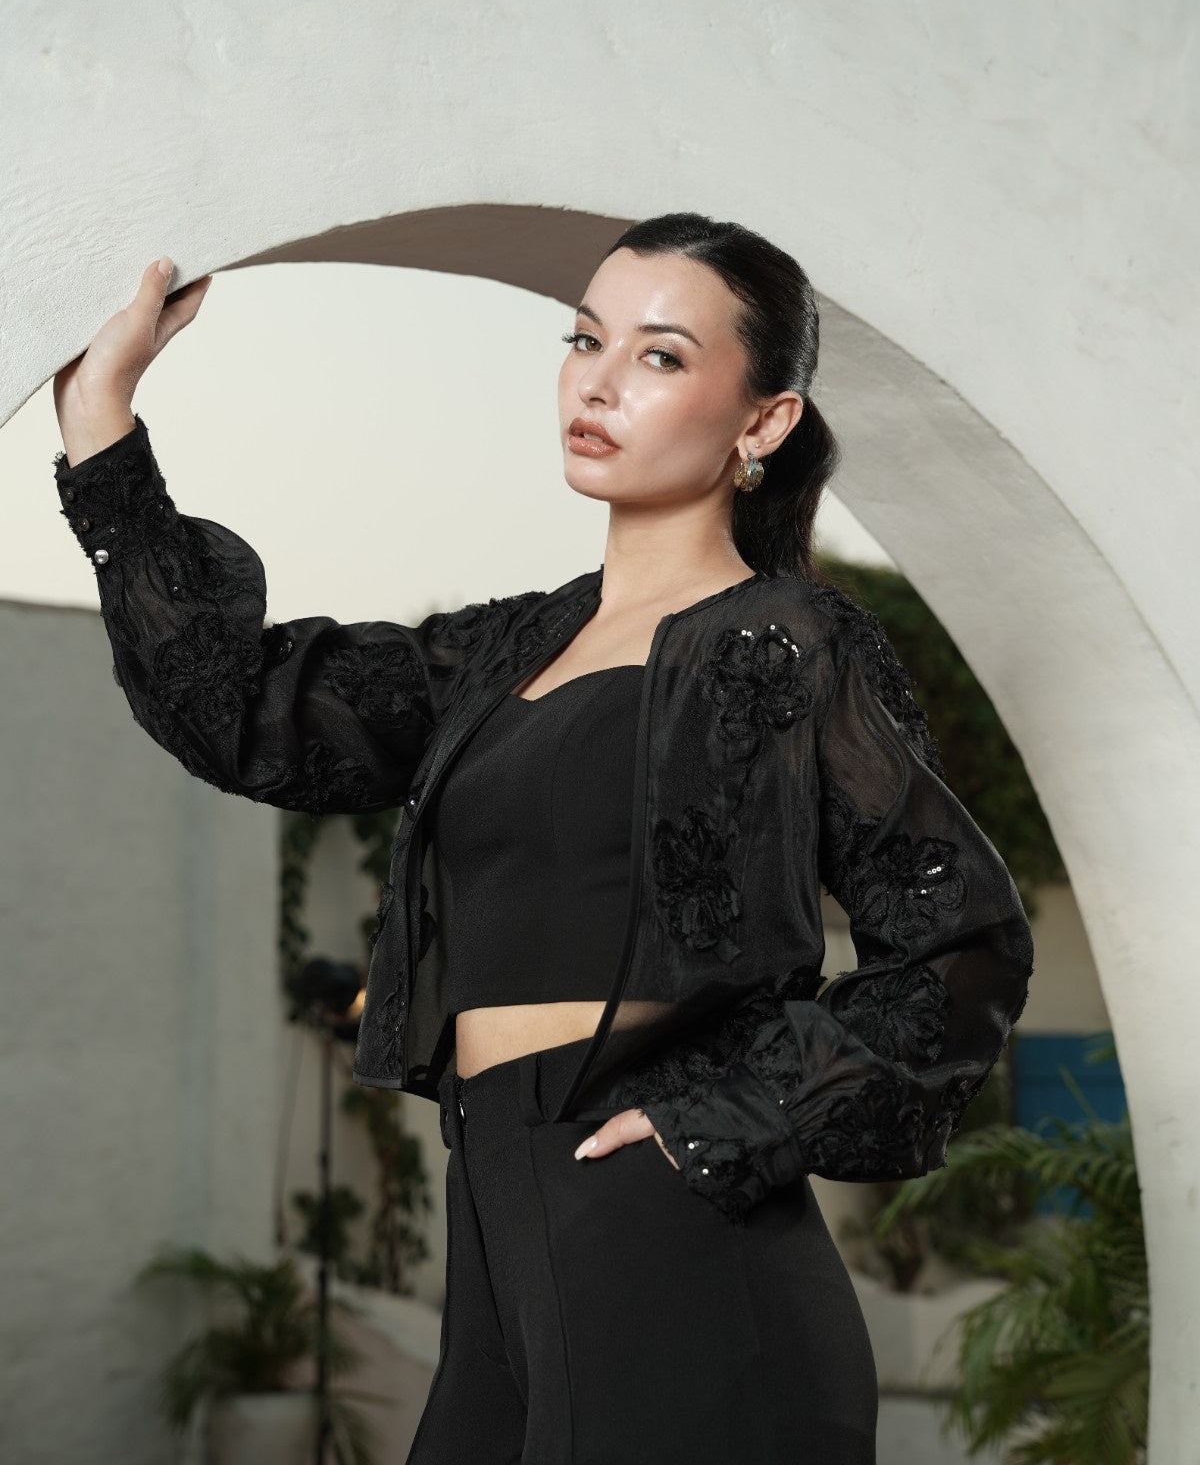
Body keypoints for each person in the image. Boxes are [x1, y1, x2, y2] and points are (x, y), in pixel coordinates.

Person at [53, 216, 1034, 1464]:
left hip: (671, 1235)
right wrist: (102, 415)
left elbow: (962, 945)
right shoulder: (501, 651)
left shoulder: (788, 641)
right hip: (497, 1218)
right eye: (584, 339)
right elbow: (242, 710)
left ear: (764, 422)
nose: (598, 381)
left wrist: (724, 1117)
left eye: (661, 355)